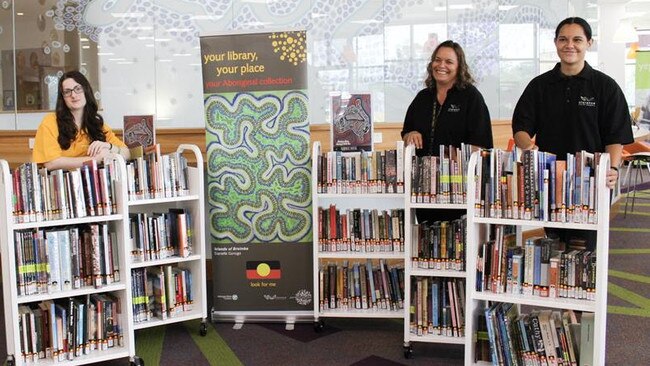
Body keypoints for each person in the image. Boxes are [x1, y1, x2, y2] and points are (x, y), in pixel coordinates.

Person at [512, 17, 634, 248]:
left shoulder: (605, 86)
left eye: (577, 39)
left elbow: (615, 136)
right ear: (556, 43)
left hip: (591, 182)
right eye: (563, 39)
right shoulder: (539, 86)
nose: (570, 45)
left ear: (589, 42)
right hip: (549, 180)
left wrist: (614, 168)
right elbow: (521, 128)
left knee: (585, 249)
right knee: (555, 247)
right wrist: (526, 145)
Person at [402, 40, 494, 222]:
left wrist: (458, 156)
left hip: (459, 187)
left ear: (459, 67)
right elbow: (406, 132)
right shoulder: (422, 97)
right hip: (424, 188)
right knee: (426, 238)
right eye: (437, 60)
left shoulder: (471, 97)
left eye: (449, 62)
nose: (441, 65)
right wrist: (410, 134)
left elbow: (482, 145)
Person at [32, 70, 130, 170]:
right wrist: (95, 159)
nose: (73, 95)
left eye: (77, 89)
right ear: (63, 98)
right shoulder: (50, 122)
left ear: (86, 91)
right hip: (61, 183)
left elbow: (127, 153)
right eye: (67, 91)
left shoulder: (97, 124)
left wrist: (108, 146)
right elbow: (51, 163)